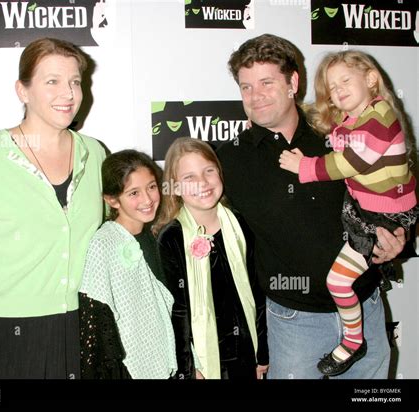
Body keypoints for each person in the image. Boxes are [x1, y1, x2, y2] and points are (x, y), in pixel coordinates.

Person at [217, 34, 406, 379]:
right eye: (246, 87)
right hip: (294, 324)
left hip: (367, 309)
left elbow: (392, 189)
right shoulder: (228, 159)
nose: (255, 96)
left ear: (293, 82)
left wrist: (398, 237)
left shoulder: (338, 134)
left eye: (266, 83)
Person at [0, 38, 106, 379]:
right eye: (52, 81)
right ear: (23, 90)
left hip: (71, 328)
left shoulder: (94, 155)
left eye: (75, 81)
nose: (68, 93)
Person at [279, 50, 417, 376]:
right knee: (342, 279)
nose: (337, 91)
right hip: (365, 210)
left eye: (345, 81)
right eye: (331, 87)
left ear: (370, 79)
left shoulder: (380, 117)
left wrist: (304, 166)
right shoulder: (351, 116)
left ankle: (353, 342)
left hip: (382, 216)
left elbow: (349, 163)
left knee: (339, 281)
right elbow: (325, 123)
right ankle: (357, 334)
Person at [155, 137, 269, 379]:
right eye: (189, 178)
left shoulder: (238, 223)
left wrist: (262, 354)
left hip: (245, 352)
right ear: (174, 188)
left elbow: (256, 291)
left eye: (209, 171)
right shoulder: (171, 237)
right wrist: (187, 368)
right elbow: (178, 310)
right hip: (204, 358)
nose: (203, 182)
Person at [79, 150, 177, 379]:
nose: (147, 199)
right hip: (125, 368)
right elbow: (95, 322)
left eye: (152, 187)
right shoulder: (102, 243)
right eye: (134, 193)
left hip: (164, 360)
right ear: (112, 200)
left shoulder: (154, 237)